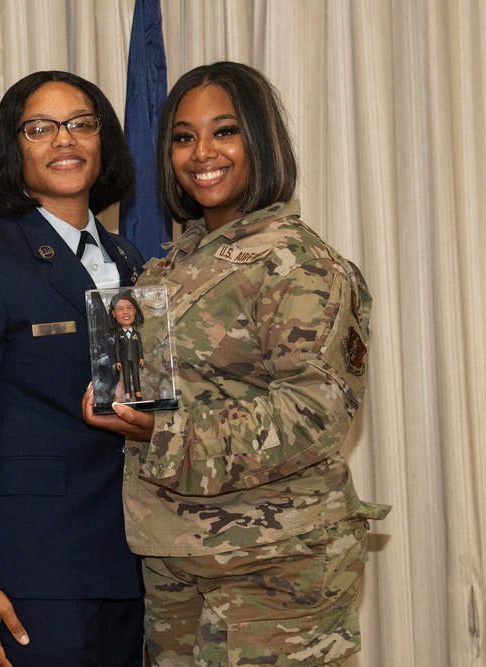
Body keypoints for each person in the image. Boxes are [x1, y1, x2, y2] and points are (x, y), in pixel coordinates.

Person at [83, 61, 391, 666]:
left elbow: (315, 413)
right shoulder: (172, 265)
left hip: (274, 564)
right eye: (183, 136)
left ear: (261, 139)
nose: (202, 152)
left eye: (224, 131)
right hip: (175, 556)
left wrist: (160, 429)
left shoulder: (298, 263)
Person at [0, 71, 146, 667]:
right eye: (39, 128)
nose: (64, 141)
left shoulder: (131, 259)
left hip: (130, 562)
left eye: (80, 124)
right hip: (32, 572)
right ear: (11, 148)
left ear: (104, 140)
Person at [110, 291, 145, 402]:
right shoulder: (118, 335)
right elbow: (116, 349)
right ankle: (128, 395)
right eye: (120, 309)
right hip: (124, 359)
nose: (126, 312)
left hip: (135, 358)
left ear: (135, 310)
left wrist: (141, 358)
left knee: (135, 375)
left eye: (129, 308)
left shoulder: (136, 334)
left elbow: (139, 346)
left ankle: (138, 394)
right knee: (126, 377)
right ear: (114, 314)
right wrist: (118, 361)